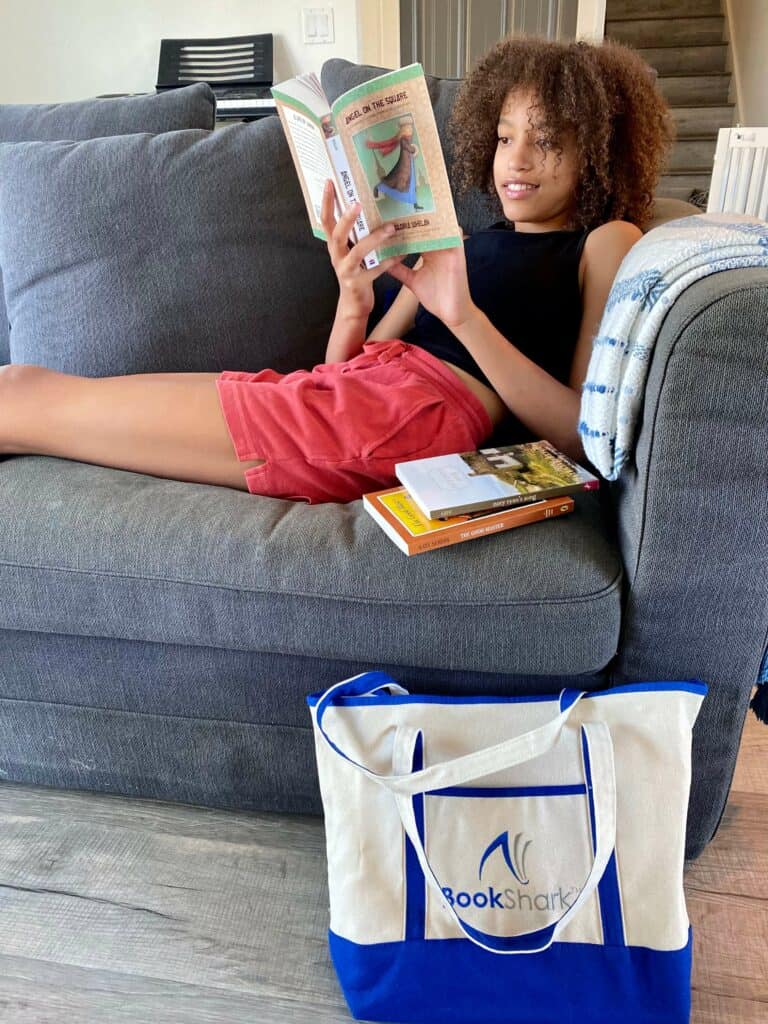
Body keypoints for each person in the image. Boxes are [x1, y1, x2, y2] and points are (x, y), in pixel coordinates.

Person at [0, 36, 674, 504]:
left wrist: (463, 318)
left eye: (548, 139)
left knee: (25, 403)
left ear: (601, 153)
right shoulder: (465, 239)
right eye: (505, 137)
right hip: (360, 400)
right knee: (21, 384)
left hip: (413, 419)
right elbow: (354, 365)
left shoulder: (604, 242)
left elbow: (588, 437)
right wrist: (354, 301)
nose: (517, 158)